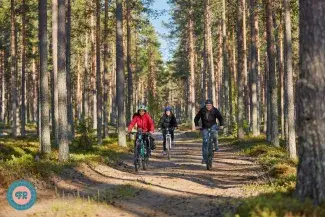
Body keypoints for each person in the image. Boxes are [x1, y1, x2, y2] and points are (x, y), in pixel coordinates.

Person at [194, 99, 224, 164]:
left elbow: (220, 117)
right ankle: (204, 158)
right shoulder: (202, 110)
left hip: (213, 125)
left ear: (212, 105)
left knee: (215, 135)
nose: (208, 106)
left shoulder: (215, 110)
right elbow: (196, 118)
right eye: (207, 105)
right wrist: (196, 125)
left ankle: (216, 145)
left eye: (210, 105)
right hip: (204, 127)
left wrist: (221, 125)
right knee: (205, 142)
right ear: (205, 105)